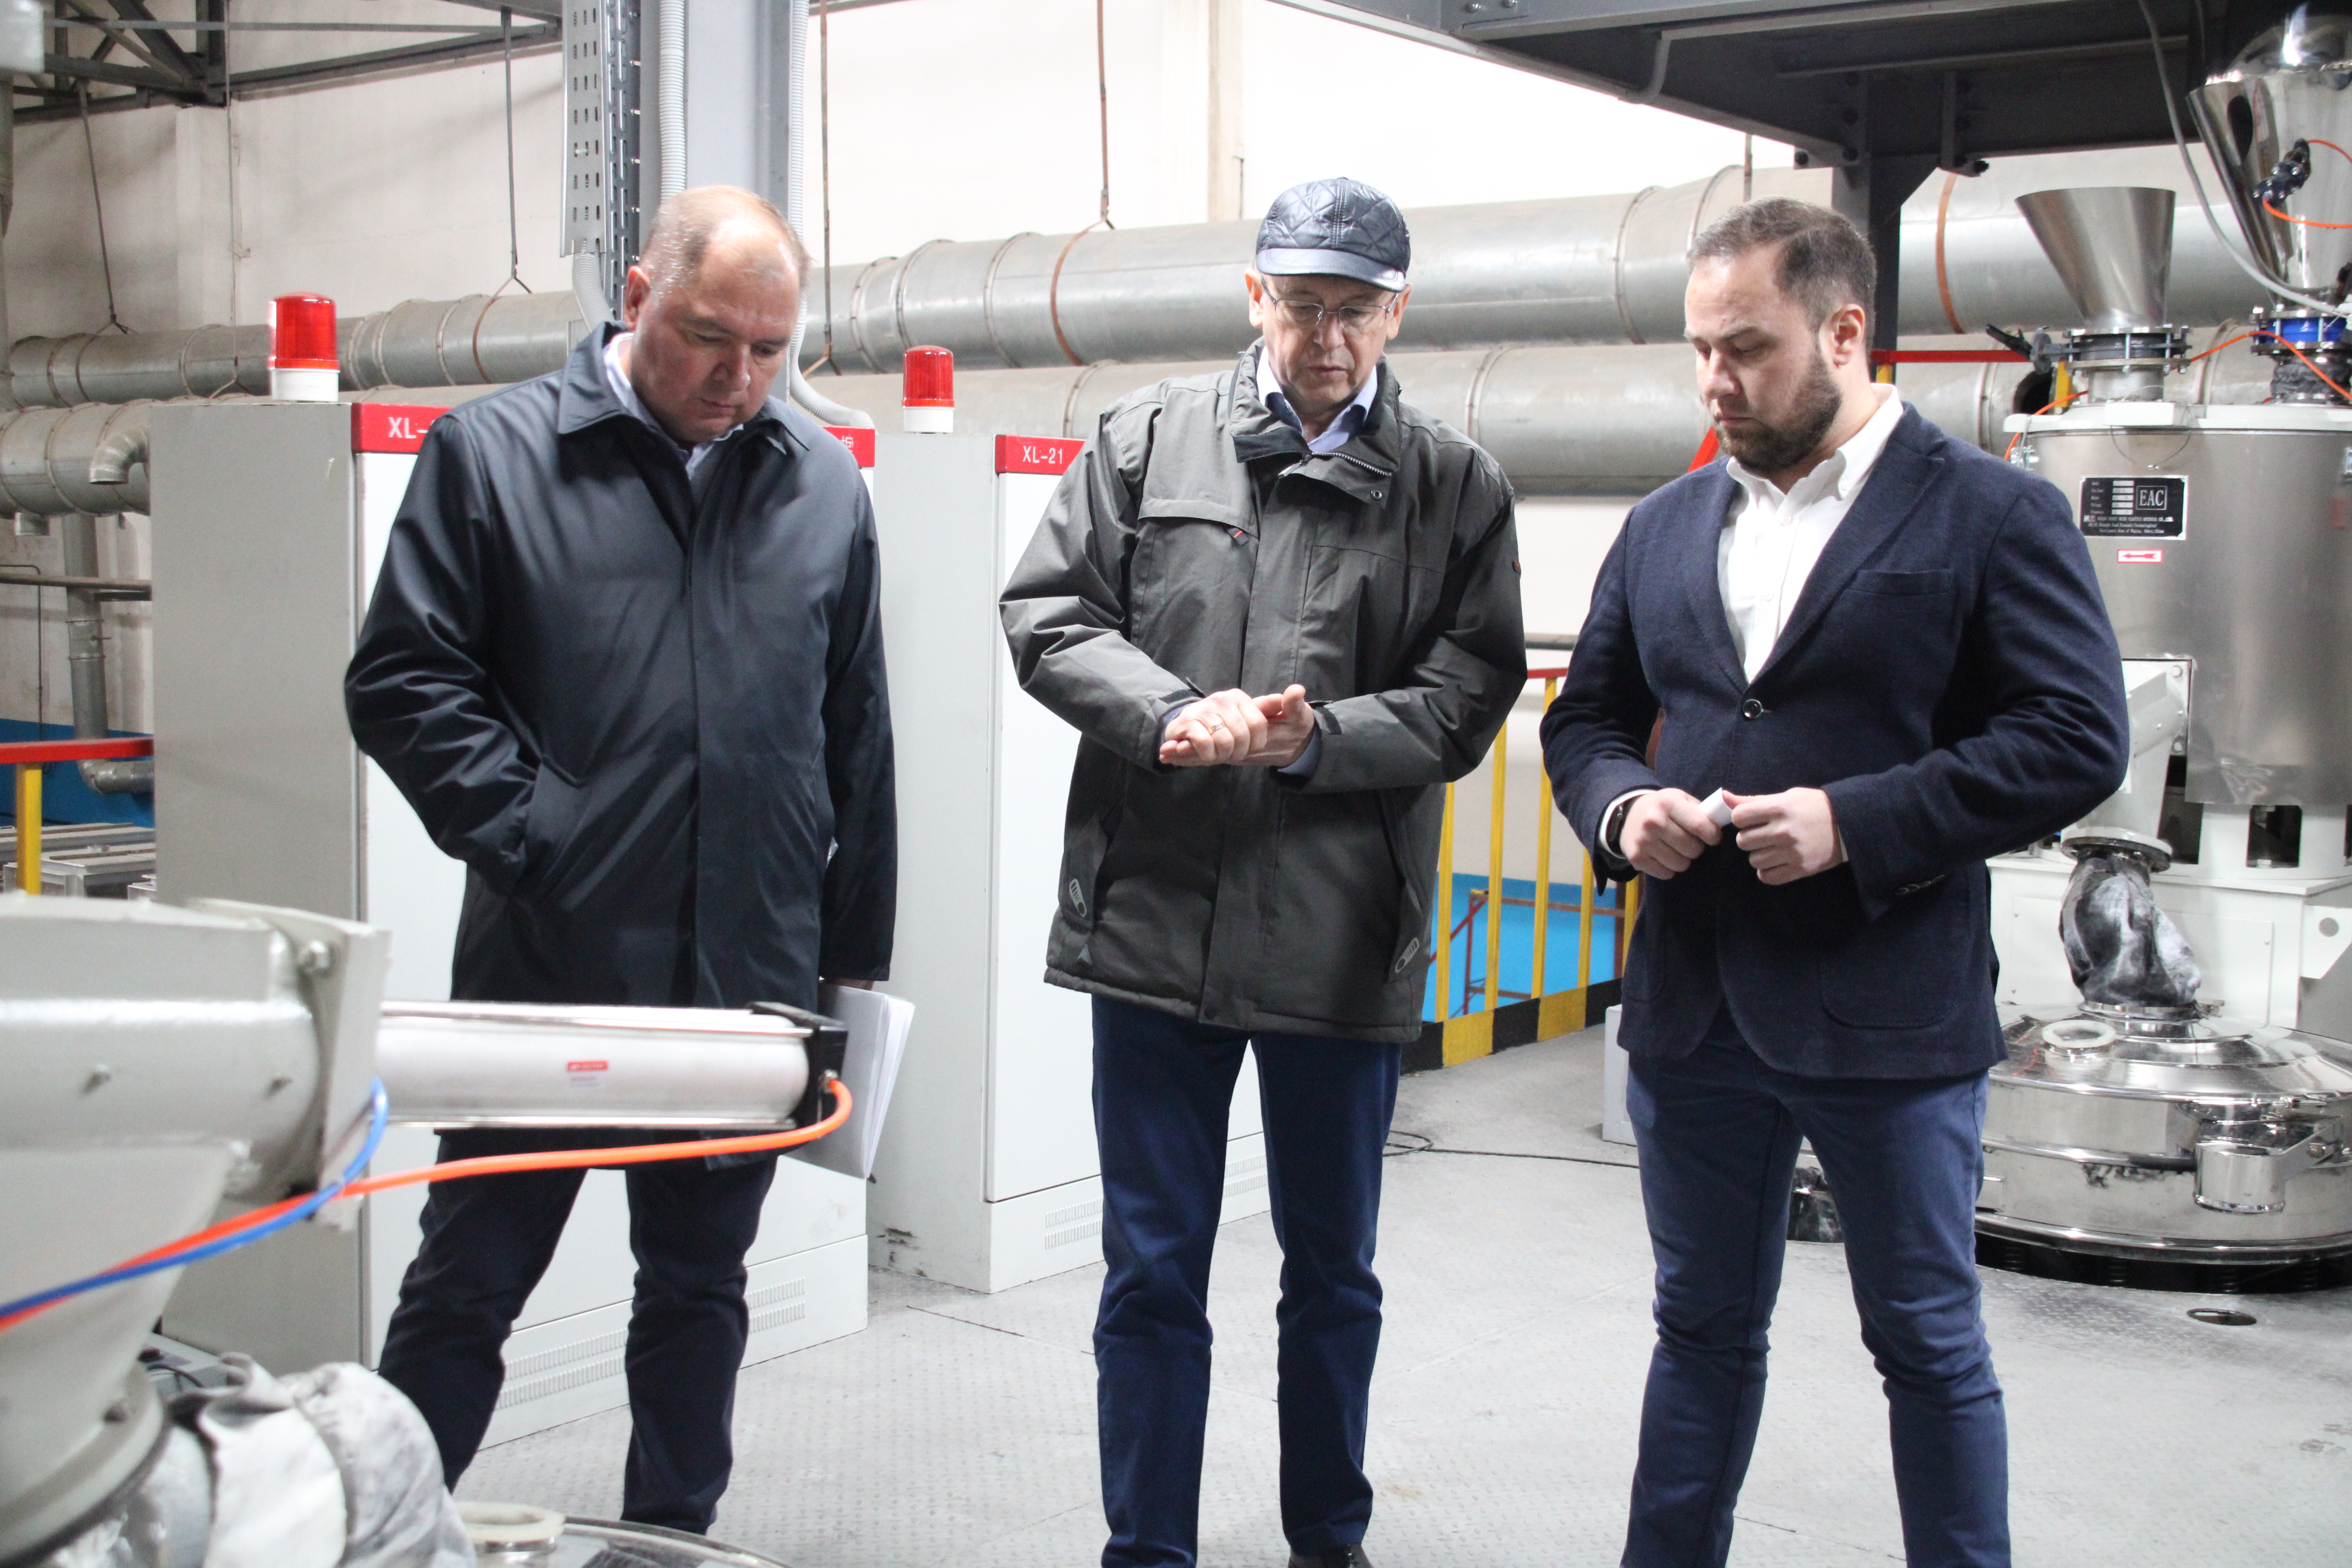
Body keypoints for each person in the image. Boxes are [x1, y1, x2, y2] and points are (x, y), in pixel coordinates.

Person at [1542, 197, 2129, 1568]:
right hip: (1695, 1008)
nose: (1715, 380)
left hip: (1887, 1012)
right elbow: (1588, 721)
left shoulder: (1992, 512)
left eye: (1747, 348)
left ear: (1846, 331)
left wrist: (1854, 821)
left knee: (1925, 1339)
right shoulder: (1666, 523)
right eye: (1702, 349)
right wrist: (1624, 809)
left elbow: (2073, 736)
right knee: (1700, 1328)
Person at [345, 186, 895, 1532]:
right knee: (469, 1287)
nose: (739, 377)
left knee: (700, 1292)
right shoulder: (494, 456)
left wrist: (850, 964)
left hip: (744, 983)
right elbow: (404, 680)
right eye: (710, 336)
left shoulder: (820, 481)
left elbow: (858, 734)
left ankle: (666, 1543)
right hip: (554, 967)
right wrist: (542, 838)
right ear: (639, 296)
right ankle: (382, 1539)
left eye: (770, 349)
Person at [1000, 177, 1524, 1568]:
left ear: (1397, 313)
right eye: (1302, 307)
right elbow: (1050, 617)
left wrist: (1315, 741)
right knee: (1151, 1271)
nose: (1327, 339)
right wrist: (1173, 713)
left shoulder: (1457, 487)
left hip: (1341, 936)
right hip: (1155, 923)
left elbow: (1468, 696)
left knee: (1333, 1273)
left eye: (1356, 312)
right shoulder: (1143, 441)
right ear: (1255, 297)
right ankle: (1147, 1551)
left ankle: (1327, 1541)